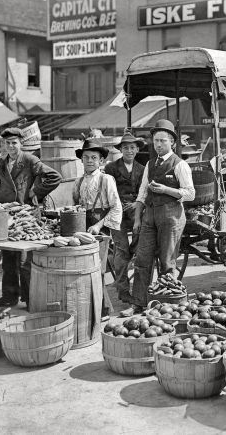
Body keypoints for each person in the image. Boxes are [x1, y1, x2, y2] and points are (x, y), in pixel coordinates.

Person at [124, 119, 195, 317]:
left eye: (163, 141)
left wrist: (166, 190)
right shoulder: (150, 164)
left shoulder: (180, 165)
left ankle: (166, 307)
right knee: (142, 260)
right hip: (150, 216)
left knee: (166, 262)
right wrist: (138, 219)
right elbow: (142, 194)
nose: (158, 145)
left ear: (172, 142)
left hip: (171, 215)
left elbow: (190, 194)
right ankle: (138, 304)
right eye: (156, 141)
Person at [0, 128, 62, 307]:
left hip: (26, 214)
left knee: (25, 260)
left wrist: (36, 191)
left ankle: (30, 299)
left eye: (14, 143)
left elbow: (54, 177)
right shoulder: (1, 163)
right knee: (8, 258)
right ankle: (9, 296)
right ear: (4, 145)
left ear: (21, 144)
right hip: (7, 215)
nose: (11, 146)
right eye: (7, 143)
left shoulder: (29, 160)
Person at [72, 139, 123, 321]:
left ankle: (103, 310)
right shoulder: (77, 182)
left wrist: (99, 225)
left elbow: (116, 207)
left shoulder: (106, 179)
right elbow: (75, 207)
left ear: (101, 161)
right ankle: (88, 309)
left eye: (94, 157)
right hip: (82, 227)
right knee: (83, 269)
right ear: (81, 160)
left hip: (100, 228)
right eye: (86, 157)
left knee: (97, 270)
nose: (90, 161)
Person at [103, 132, 146, 304]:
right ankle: (123, 290)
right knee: (120, 251)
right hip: (117, 212)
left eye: (132, 148)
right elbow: (107, 192)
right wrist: (119, 205)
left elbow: (144, 192)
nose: (129, 150)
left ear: (136, 150)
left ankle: (133, 254)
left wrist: (137, 204)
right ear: (120, 149)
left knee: (140, 243)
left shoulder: (142, 169)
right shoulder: (111, 168)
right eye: (126, 147)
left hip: (135, 212)